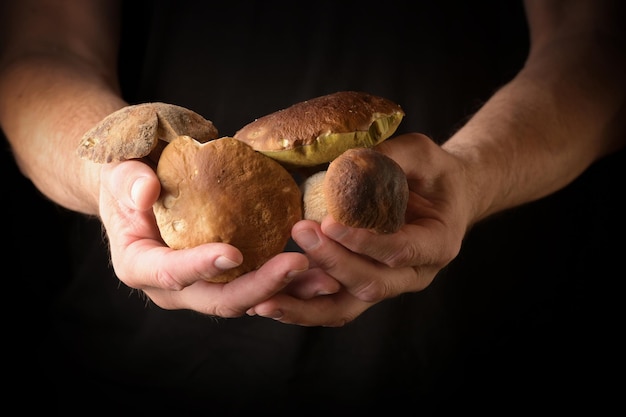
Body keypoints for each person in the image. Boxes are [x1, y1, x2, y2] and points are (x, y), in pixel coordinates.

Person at [1, 0, 624, 414]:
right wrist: (110, 186)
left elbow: (598, 45)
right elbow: (38, 51)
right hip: (138, 371)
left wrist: (474, 175)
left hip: (476, 347)